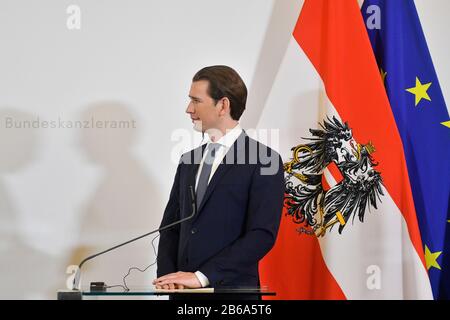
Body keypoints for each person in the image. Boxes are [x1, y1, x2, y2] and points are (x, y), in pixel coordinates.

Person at [153, 65, 285, 299]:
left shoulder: (265, 161)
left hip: (231, 296)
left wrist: (201, 277)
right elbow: (170, 226)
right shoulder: (188, 160)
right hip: (184, 297)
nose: (189, 109)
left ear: (223, 105)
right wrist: (169, 278)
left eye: (196, 101)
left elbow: (261, 235)